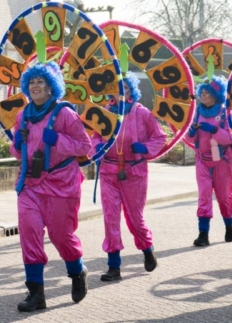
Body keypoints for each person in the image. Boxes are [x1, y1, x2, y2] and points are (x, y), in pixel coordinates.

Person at [10, 59, 92, 312]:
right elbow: (17, 152)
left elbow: (84, 147)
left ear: (50, 87)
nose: (35, 86)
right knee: (29, 232)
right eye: (32, 82)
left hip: (61, 185)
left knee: (60, 235)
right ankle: (36, 293)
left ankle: (77, 271)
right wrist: (17, 142)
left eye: (41, 82)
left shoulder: (65, 114)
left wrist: (57, 139)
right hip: (30, 184)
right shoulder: (23, 115)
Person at [91, 72, 166, 282]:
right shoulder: (105, 112)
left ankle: (147, 248)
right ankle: (113, 266)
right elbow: (95, 137)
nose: (120, 91)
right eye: (116, 87)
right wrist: (98, 148)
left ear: (131, 89)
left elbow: (159, 137)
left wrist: (144, 148)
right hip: (108, 172)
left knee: (135, 219)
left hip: (135, 173)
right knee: (110, 218)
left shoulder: (142, 113)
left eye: (124, 87)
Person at [184, 75, 232, 247]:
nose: (203, 95)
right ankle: (203, 234)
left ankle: (229, 225)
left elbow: (230, 138)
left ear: (216, 94)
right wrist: (191, 132)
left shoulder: (226, 113)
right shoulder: (196, 112)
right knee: (204, 196)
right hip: (202, 160)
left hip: (222, 161)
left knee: (224, 197)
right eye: (202, 92)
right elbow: (189, 138)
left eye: (208, 92)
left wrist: (214, 129)